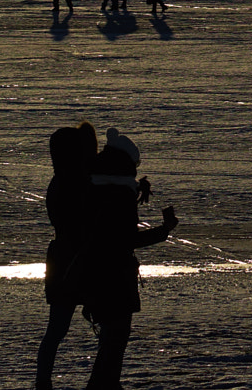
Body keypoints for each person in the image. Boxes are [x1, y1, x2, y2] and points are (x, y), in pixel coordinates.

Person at [82, 129, 178, 390]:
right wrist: (163, 231)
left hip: (96, 273)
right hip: (115, 276)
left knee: (110, 338)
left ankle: (104, 384)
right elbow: (126, 240)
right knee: (116, 338)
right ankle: (104, 385)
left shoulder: (96, 188)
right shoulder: (119, 195)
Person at [35, 122, 97, 389]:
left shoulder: (64, 180)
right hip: (74, 259)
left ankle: (43, 382)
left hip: (65, 258)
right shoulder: (74, 182)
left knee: (57, 329)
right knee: (59, 328)